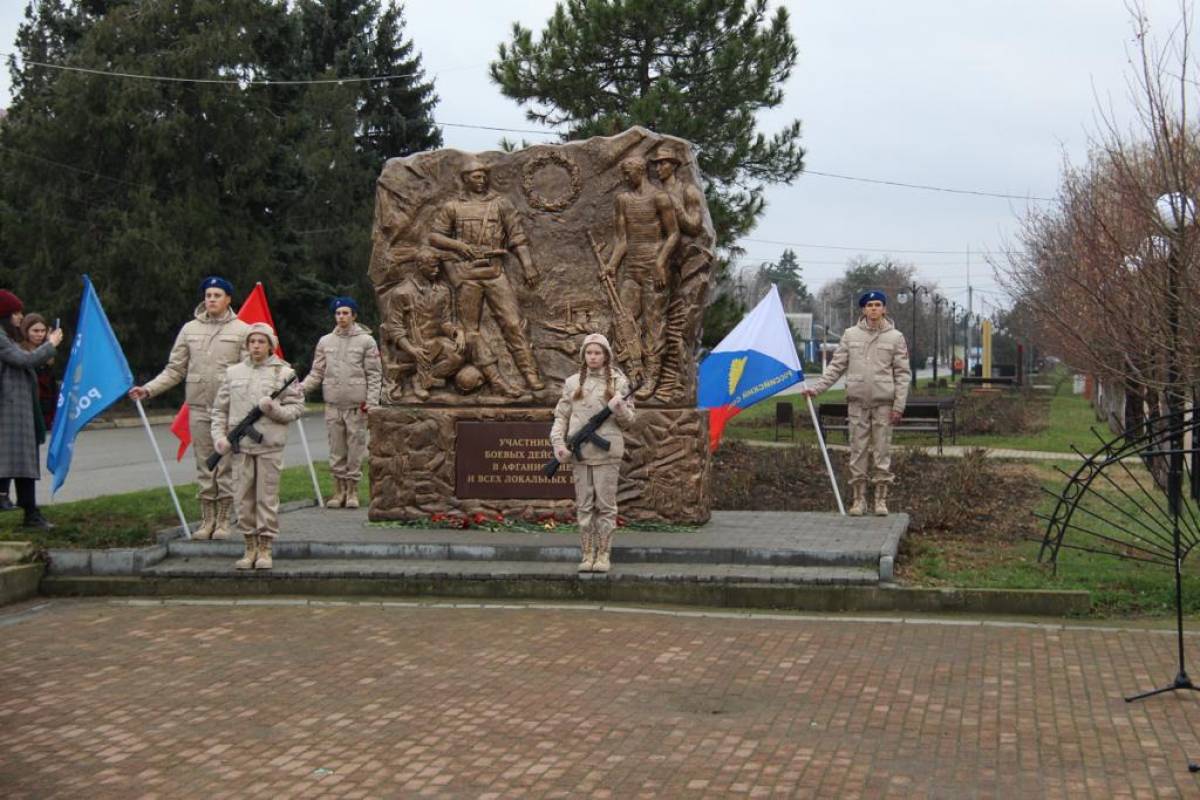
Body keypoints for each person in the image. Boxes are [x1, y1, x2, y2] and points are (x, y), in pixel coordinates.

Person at [128, 277, 250, 539]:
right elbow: (175, 369)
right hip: (199, 407)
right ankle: (207, 520)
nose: (212, 299)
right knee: (205, 465)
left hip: (228, 410)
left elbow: (248, 372)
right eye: (208, 295)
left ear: (228, 299)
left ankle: (224, 520)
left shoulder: (242, 330)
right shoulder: (189, 329)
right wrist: (148, 389)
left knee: (226, 465)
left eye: (217, 295)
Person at [428, 156, 544, 397]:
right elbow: (435, 237)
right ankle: (494, 380)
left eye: (484, 176)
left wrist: (528, 266)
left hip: (495, 272)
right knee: (470, 333)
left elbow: (517, 237)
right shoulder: (453, 207)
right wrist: (459, 246)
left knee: (513, 324)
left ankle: (530, 374)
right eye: (476, 176)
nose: (481, 180)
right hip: (467, 276)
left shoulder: (501, 204)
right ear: (465, 179)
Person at [802, 290, 911, 516]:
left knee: (882, 451)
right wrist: (818, 388)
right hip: (857, 403)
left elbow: (902, 374)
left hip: (884, 404)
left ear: (884, 309)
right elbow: (836, 366)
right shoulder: (850, 335)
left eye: (878, 304)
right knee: (857, 451)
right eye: (869, 305)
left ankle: (881, 500)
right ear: (863, 309)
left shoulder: (895, 337)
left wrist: (899, 406)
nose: (873, 309)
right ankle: (858, 500)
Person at [211, 323, 304, 570]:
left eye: (261, 342)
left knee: (266, 497)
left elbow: (296, 408)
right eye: (252, 341)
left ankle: (265, 547)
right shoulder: (233, 373)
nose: (256, 346)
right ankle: (248, 545)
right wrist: (219, 437)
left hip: (269, 446)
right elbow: (220, 409)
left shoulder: (284, 374)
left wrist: (274, 410)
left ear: (270, 345)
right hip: (240, 447)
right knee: (243, 498)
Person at [550, 333, 636, 574]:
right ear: (583, 355)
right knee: (584, 506)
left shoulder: (618, 383)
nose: (593, 357)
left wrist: (619, 410)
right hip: (580, 454)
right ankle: (587, 554)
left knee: (606, 506)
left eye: (598, 353)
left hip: (607, 453)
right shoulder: (572, 383)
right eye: (589, 352)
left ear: (606, 355)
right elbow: (561, 417)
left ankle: (603, 554)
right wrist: (558, 443)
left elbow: (630, 421)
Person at [603, 157, 679, 400]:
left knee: (654, 325)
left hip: (653, 269)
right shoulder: (622, 200)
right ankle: (623, 375)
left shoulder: (659, 197)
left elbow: (674, 234)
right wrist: (611, 265)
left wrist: (660, 262)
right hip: (632, 269)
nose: (625, 178)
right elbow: (621, 240)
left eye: (628, 172)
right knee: (621, 319)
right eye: (623, 173)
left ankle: (650, 379)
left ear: (640, 171)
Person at [301, 296, 382, 509]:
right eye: (338, 313)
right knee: (337, 450)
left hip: (357, 406)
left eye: (346, 313)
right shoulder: (325, 341)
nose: (341, 317)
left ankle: (353, 491)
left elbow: (374, 374)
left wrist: (372, 403)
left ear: (354, 315)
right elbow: (317, 372)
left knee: (355, 450)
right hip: (333, 405)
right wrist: (299, 389)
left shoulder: (366, 341)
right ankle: (338, 491)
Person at [0, 290, 64, 529]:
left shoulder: (6, 337)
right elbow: (25, 360)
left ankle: (30, 511)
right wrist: (50, 345)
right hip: (10, 411)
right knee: (18, 463)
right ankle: (30, 513)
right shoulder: (1, 339)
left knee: (23, 464)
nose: (20, 317)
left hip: (17, 410)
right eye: (16, 313)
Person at [20, 314, 58, 429]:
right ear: (26, 331)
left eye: (43, 331)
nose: (40, 334)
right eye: (35, 331)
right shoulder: (19, 351)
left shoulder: (48, 352)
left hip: (45, 406)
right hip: (28, 406)